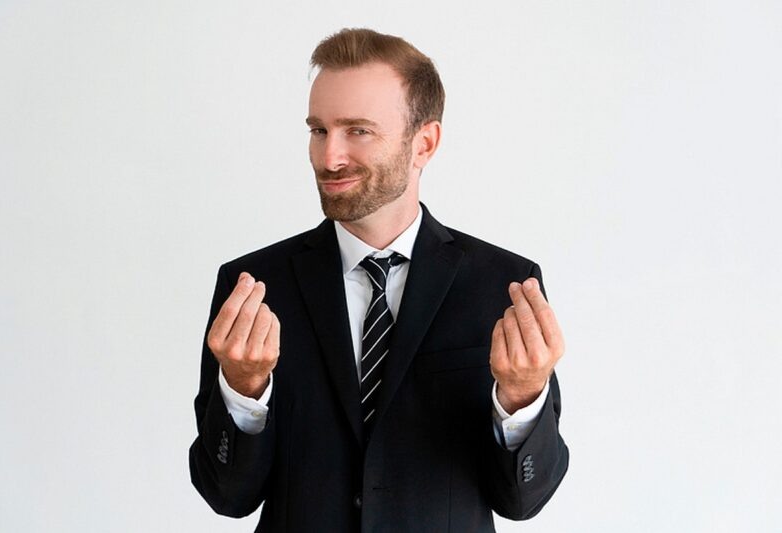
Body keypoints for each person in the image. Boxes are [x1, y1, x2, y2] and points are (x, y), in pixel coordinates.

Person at [189, 28, 568, 532]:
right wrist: (244, 391)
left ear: (424, 143)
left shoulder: (504, 286)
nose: (329, 158)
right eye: (318, 130)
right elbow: (227, 496)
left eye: (358, 131)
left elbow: (522, 501)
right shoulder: (254, 288)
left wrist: (521, 397)